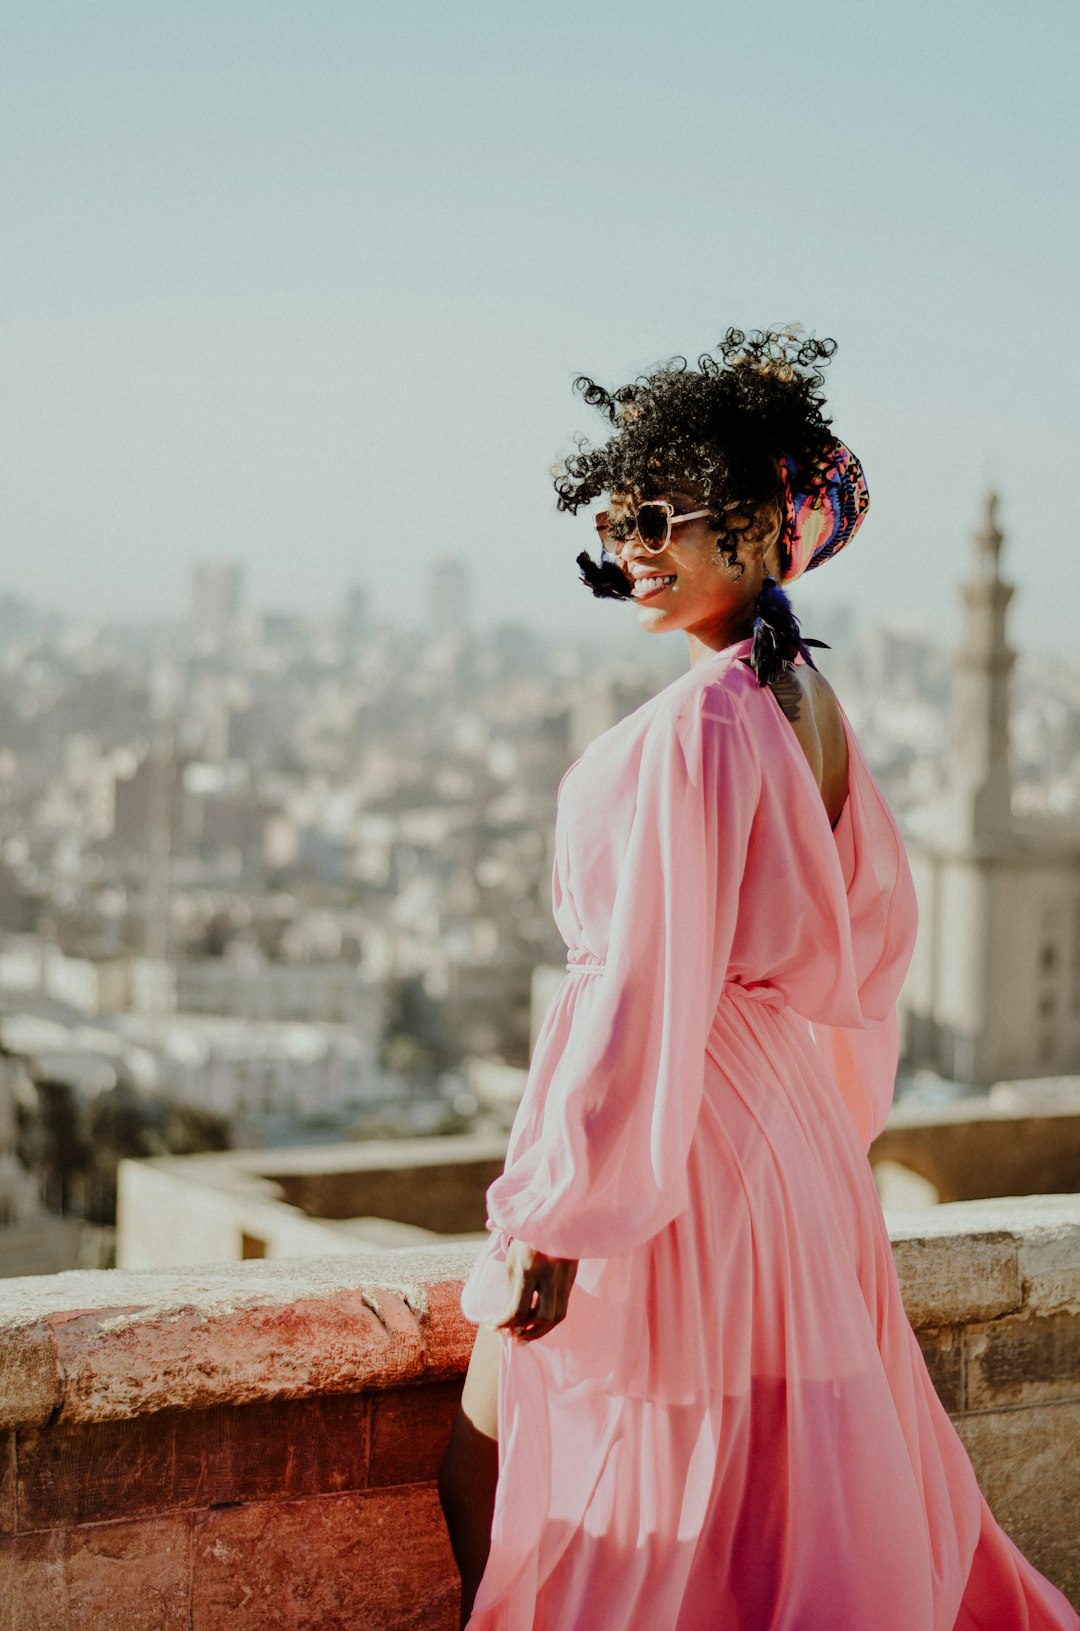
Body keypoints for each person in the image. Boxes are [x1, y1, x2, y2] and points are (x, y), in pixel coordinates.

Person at [436, 328, 1080, 1630]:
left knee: (512, 1461)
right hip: (784, 1149)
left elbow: (648, 985)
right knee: (762, 1498)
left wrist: (566, 1210)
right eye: (617, 521)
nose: (634, 548)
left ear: (751, 529)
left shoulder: (703, 725)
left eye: (663, 519)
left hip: (683, 1147)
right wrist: (810, 1123)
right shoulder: (805, 707)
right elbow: (870, 944)